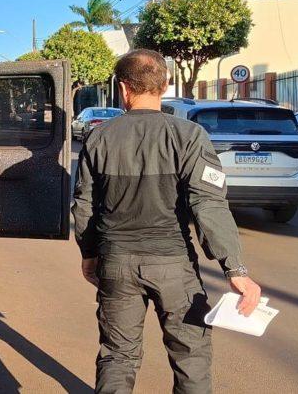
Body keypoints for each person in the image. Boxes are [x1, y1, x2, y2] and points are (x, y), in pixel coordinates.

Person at [72, 49, 262, 394]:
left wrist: (89, 254)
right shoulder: (189, 136)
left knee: (118, 356)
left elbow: (84, 204)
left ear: (123, 88)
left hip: (117, 263)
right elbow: (209, 204)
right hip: (174, 266)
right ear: (165, 85)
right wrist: (235, 269)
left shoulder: (100, 137)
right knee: (191, 356)